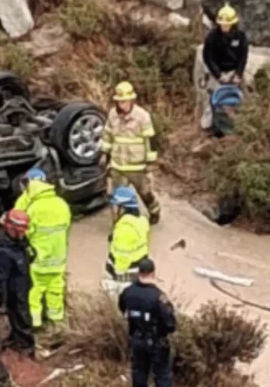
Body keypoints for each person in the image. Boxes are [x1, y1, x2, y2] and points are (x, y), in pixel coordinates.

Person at [13, 168, 71, 328]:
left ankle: (35, 324)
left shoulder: (33, 207)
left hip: (37, 260)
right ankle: (57, 323)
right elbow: (66, 228)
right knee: (55, 291)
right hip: (58, 258)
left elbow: (23, 231)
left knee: (34, 292)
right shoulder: (61, 204)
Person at [100, 81, 161, 225]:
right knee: (118, 196)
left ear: (131, 100)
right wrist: (104, 153)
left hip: (137, 166)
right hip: (118, 165)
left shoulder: (142, 116)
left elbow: (151, 140)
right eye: (120, 102)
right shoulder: (112, 114)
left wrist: (150, 162)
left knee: (145, 193)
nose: (122, 105)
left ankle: (154, 212)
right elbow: (107, 135)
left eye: (125, 101)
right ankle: (120, 221)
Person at [118, 258, 176, 387]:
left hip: (137, 339)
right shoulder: (158, 296)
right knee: (162, 376)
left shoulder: (128, 292)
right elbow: (170, 323)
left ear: (139, 273)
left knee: (139, 375)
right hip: (156, 342)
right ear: (153, 273)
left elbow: (122, 307)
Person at [0, 209, 36, 356]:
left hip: (22, 286)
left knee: (21, 317)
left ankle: (24, 344)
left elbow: (30, 256)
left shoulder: (20, 244)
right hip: (13, 292)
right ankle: (25, 346)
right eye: (21, 230)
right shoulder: (3, 252)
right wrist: (1, 302)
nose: (24, 233)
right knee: (20, 318)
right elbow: (1, 279)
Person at [200, 4, 249, 133]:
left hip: (234, 71)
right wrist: (218, 74)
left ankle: (240, 124)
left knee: (241, 96)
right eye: (222, 24)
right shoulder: (212, 37)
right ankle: (209, 124)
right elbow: (208, 57)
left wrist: (238, 74)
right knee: (212, 97)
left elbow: (243, 56)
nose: (224, 27)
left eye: (227, 25)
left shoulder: (240, 36)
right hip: (217, 71)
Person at [105, 186, 151, 282]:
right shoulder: (143, 220)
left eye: (115, 206)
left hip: (127, 272)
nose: (113, 210)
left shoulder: (124, 227)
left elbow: (122, 258)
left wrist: (117, 278)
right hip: (140, 267)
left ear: (122, 207)